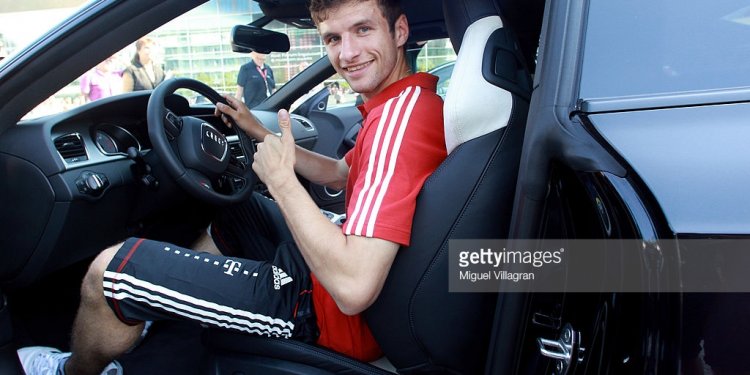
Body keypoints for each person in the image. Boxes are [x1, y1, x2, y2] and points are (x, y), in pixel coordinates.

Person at [18, 0, 446, 374]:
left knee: (108, 273)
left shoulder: (399, 123)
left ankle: (71, 370)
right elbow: (338, 172)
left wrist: (281, 183)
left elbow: (353, 289)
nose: (347, 52)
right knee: (235, 208)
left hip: (327, 314)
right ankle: (165, 303)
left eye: (363, 29)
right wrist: (258, 133)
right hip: (331, 275)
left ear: (400, 30)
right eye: (333, 38)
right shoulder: (403, 106)